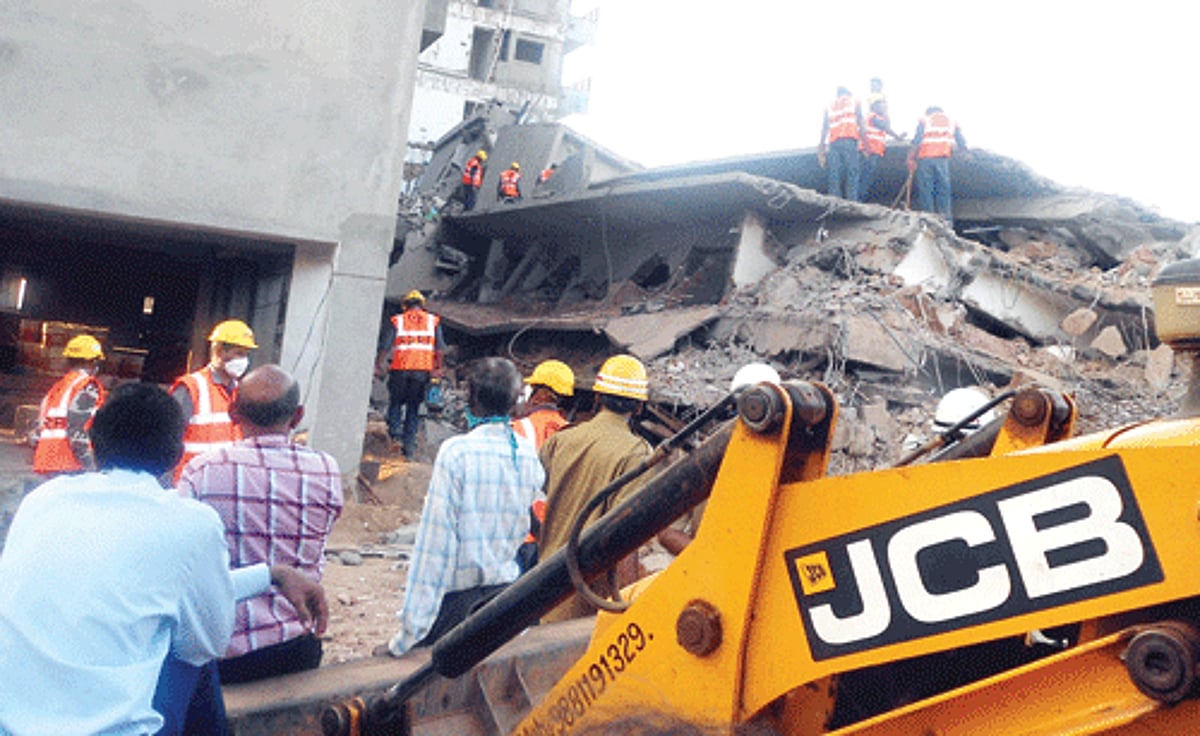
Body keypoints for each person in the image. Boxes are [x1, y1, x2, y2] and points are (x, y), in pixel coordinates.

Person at [0, 382, 327, 736]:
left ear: (93, 442)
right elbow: (206, 643)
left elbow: (146, 587)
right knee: (190, 650)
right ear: (176, 453)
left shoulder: (44, 500)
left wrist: (270, 575)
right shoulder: (189, 522)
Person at [178, 364, 343, 684]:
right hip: (294, 643)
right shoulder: (325, 469)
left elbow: (185, 558)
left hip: (220, 651)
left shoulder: (202, 470)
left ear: (233, 413)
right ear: (297, 417)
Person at [386, 357, 545, 656]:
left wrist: (408, 635)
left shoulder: (456, 453)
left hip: (459, 609)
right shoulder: (526, 454)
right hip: (507, 603)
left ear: (471, 399)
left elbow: (434, 549)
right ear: (514, 404)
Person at [538, 354, 652, 623]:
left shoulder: (561, 441)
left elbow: (535, 501)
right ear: (638, 408)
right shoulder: (637, 453)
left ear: (598, 398)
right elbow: (626, 535)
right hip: (588, 604)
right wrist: (626, 607)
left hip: (542, 590)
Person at [170, 319, 258, 483]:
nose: (244, 361)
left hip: (224, 486)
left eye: (246, 354)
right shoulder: (191, 387)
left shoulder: (241, 392)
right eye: (239, 353)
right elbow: (168, 439)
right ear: (218, 351)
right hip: (189, 485)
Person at [511, 359, 576, 572]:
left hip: (520, 535)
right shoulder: (573, 435)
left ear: (538, 393)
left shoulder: (516, 429)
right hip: (558, 537)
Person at [376, 290, 445, 459]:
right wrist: (437, 367)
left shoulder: (398, 320)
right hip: (421, 372)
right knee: (413, 409)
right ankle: (408, 447)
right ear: (422, 305)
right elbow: (440, 349)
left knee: (396, 403)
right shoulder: (433, 321)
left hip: (400, 369)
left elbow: (385, 345)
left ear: (405, 306)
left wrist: (379, 363)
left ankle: (394, 437)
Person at [31, 333, 106, 476]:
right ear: (92, 362)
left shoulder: (58, 388)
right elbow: (77, 430)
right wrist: (91, 467)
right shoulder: (87, 386)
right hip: (72, 463)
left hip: (47, 461)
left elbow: (38, 430)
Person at [906, 105, 969, 226]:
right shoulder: (951, 121)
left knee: (926, 190)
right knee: (943, 190)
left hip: (926, 158)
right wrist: (965, 151)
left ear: (929, 112)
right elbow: (960, 139)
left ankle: (928, 219)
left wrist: (910, 157)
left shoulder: (925, 119)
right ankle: (946, 221)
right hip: (942, 159)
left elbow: (917, 139)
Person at [858, 78, 906, 200]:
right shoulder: (873, 116)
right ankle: (859, 199)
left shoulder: (873, 115)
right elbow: (885, 127)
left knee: (866, 177)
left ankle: (860, 198)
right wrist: (898, 137)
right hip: (869, 150)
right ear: (874, 106)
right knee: (865, 177)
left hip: (872, 150)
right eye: (881, 105)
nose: (883, 107)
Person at [817, 86, 864, 201]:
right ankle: (852, 202)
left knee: (834, 173)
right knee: (852, 173)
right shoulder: (854, 101)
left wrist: (821, 148)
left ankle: (835, 202)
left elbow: (824, 128)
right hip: (849, 140)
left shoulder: (830, 106)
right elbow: (862, 124)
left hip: (834, 142)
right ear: (848, 93)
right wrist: (865, 145)